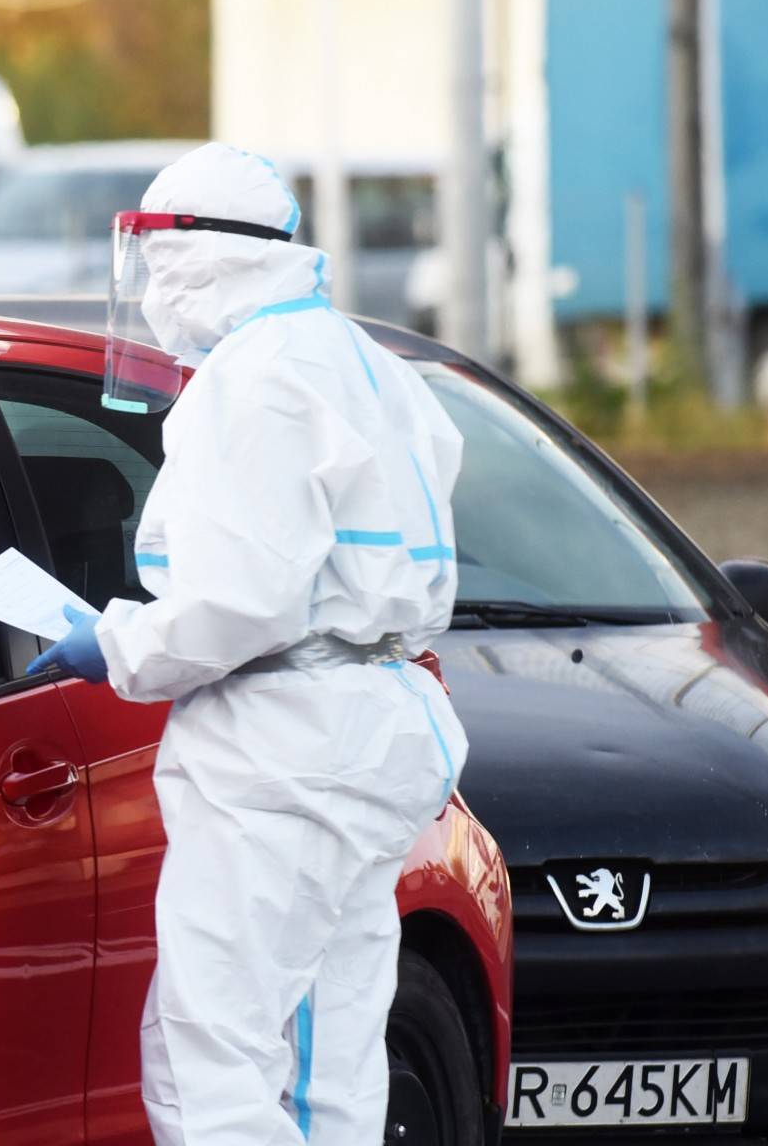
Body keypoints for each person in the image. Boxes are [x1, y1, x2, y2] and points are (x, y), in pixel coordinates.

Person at [30, 143, 468, 1146]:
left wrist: (117, 641)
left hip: (284, 748)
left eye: (152, 257)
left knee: (211, 1060)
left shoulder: (251, 380)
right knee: (331, 1051)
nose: (145, 287)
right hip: (369, 726)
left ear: (194, 257)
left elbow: (239, 603)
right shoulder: (358, 360)